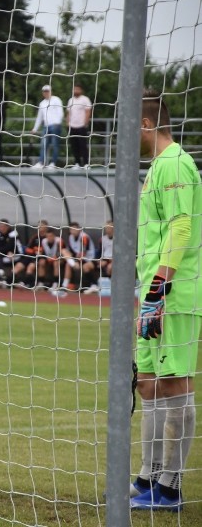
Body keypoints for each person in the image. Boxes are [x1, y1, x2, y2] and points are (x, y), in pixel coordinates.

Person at [129, 88, 201, 512]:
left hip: (172, 292)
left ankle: (170, 486)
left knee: (174, 381)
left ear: (145, 123)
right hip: (154, 291)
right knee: (148, 382)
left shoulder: (175, 163)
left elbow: (181, 229)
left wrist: (159, 288)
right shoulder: (159, 165)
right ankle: (148, 474)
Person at [31, 85, 64, 169]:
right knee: (44, 145)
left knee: (55, 145)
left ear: (50, 91)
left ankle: (53, 163)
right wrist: (35, 128)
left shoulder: (56, 100)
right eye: (44, 91)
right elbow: (39, 117)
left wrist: (58, 122)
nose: (46, 93)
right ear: (43, 93)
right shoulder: (42, 103)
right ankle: (41, 162)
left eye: (47, 91)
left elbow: (61, 112)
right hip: (46, 126)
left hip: (55, 125)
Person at [59, 222, 97, 291]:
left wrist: (76, 261)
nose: (73, 231)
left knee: (85, 267)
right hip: (77, 259)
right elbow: (71, 251)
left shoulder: (84, 237)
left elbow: (83, 252)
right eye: (71, 229)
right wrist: (72, 261)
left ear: (79, 229)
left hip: (88, 259)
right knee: (64, 252)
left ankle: (94, 285)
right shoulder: (71, 237)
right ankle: (64, 285)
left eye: (75, 229)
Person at [13, 219, 48, 288]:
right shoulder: (34, 237)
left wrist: (39, 252)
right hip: (29, 257)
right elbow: (28, 249)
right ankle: (9, 283)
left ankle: (24, 283)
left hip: (39, 258)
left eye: (41, 226)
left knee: (30, 267)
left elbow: (47, 251)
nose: (39, 227)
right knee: (17, 267)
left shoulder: (47, 237)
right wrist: (34, 251)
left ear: (46, 227)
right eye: (38, 226)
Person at [66, 84, 93, 168]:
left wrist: (85, 122)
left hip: (81, 126)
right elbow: (68, 112)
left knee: (83, 145)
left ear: (81, 90)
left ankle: (86, 164)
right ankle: (77, 163)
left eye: (77, 89)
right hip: (72, 126)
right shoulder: (71, 100)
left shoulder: (85, 99)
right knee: (74, 146)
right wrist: (67, 123)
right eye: (75, 89)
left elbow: (88, 111)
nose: (76, 91)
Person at [0, 219, 23, 285]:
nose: (1, 228)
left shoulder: (13, 233)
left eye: (3, 226)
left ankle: (0, 277)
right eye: (0, 226)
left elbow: (10, 246)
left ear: (8, 226)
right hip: (5, 254)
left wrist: (8, 252)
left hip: (16, 254)